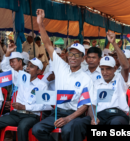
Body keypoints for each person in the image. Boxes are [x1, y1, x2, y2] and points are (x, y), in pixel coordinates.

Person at [32, 9, 94, 141]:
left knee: (67, 130)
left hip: (75, 115)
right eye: (71, 53)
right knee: (37, 130)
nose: (73, 57)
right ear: (67, 55)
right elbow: (48, 44)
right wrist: (40, 23)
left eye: (77, 55)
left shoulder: (86, 79)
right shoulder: (60, 66)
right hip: (58, 111)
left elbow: (85, 105)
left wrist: (69, 118)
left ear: (83, 58)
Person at [70, 31, 130, 141]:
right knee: (77, 124)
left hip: (117, 115)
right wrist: (93, 118)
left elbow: (125, 66)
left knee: (116, 124)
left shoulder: (119, 79)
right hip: (100, 116)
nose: (105, 72)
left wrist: (114, 44)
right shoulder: (96, 83)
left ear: (115, 69)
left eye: (108, 69)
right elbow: (92, 105)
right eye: (102, 69)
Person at [0, 44, 51, 141]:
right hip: (16, 114)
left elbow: (42, 106)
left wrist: (24, 107)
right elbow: (5, 68)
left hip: (31, 115)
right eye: (28, 66)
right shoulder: (20, 77)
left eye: (32, 67)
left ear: (39, 71)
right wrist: (7, 53)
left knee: (22, 127)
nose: (28, 68)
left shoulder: (42, 85)